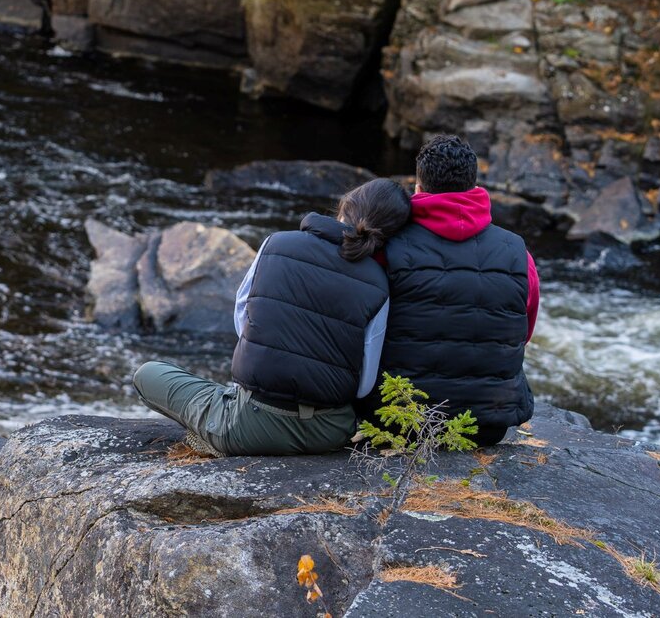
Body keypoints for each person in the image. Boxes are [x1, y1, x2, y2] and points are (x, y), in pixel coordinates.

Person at [132, 178, 411, 457]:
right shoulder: (379, 284)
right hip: (330, 432)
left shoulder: (276, 244)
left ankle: (216, 437)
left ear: (344, 206)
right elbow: (364, 385)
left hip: (248, 425)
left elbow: (244, 320)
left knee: (147, 374)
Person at [362, 134, 540, 447]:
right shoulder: (517, 253)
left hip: (396, 420)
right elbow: (521, 333)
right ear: (474, 188)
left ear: (418, 186)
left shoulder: (386, 246)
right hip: (485, 426)